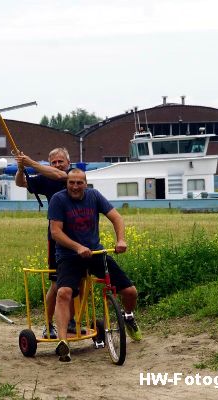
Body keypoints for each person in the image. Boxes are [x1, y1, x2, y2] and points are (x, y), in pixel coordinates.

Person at [48, 168, 142, 362]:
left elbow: (116, 217)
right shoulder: (58, 199)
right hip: (69, 255)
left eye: (79, 183)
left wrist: (121, 240)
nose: (75, 186)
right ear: (67, 184)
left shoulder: (94, 196)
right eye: (71, 183)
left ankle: (129, 316)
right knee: (63, 292)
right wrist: (77, 247)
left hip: (95, 252)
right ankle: (63, 342)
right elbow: (56, 232)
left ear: (86, 183)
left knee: (130, 291)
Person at [14, 148, 82, 339]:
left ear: (68, 163)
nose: (58, 165)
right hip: (56, 237)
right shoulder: (45, 178)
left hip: (79, 235)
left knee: (80, 281)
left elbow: (60, 175)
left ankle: (71, 321)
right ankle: (48, 324)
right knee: (56, 284)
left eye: (61, 161)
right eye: (54, 162)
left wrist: (32, 163)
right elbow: (21, 182)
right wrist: (21, 168)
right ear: (49, 163)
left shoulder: (71, 176)